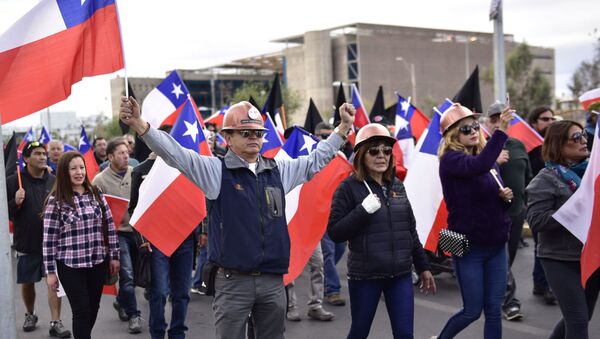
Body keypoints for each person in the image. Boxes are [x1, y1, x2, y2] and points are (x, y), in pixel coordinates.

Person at [119, 97, 355, 339]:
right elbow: (175, 154)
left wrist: (343, 128)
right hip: (233, 285)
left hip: (273, 282)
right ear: (228, 138)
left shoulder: (279, 171)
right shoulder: (215, 171)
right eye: (245, 132)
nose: (254, 137)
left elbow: (316, 160)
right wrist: (139, 123)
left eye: (258, 133)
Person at [327, 123, 435, 339]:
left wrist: (423, 266)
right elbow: (335, 232)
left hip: (401, 275)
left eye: (386, 150)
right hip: (366, 276)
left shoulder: (397, 185)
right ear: (361, 155)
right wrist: (362, 211)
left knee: (405, 335)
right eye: (374, 150)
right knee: (359, 332)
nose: (381, 155)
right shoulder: (348, 188)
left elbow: (410, 230)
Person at [434, 103, 513, 339]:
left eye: (475, 126)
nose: (473, 131)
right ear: (452, 136)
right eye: (466, 128)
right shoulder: (450, 160)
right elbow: (478, 167)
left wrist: (505, 199)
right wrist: (502, 130)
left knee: (494, 310)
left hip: (497, 244)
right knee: (471, 311)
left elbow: (494, 200)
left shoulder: (483, 159)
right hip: (468, 247)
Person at [526, 120, 599, 339]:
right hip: (559, 259)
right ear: (559, 144)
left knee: (580, 317)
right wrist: (574, 209)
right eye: (576, 137)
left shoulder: (591, 173)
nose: (584, 140)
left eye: (584, 135)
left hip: (589, 257)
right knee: (577, 321)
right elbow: (536, 221)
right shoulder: (545, 179)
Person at [42, 151, 120, 339]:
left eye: (82, 167)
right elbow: (48, 239)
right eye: (73, 168)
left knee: (93, 308)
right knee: (82, 310)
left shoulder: (96, 193)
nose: (79, 172)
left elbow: (109, 225)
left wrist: (115, 256)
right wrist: (50, 273)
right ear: (64, 172)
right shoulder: (56, 201)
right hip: (70, 264)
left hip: (97, 261)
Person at [6, 141, 71, 338]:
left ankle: (56, 322)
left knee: (53, 283)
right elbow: (4, 213)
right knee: (27, 282)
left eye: (44, 153)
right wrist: (14, 203)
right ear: (26, 159)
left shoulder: (55, 180)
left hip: (52, 244)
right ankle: (30, 313)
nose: (43, 157)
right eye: (37, 154)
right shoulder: (13, 181)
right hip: (26, 242)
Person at [485, 102, 532, 321]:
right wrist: (494, 161)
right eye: (492, 119)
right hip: (494, 214)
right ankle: (510, 303)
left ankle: (496, 292)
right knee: (502, 261)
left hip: (517, 211)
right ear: (486, 122)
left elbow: (528, 178)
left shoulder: (518, 146)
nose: (496, 124)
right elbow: (476, 179)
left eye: (500, 119)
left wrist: (526, 205)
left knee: (507, 260)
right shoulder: (482, 148)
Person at [92, 138, 142, 334]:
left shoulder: (136, 172)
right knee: (127, 275)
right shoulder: (100, 180)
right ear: (110, 157)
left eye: (127, 152)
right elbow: (96, 213)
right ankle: (134, 315)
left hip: (138, 231)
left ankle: (122, 300)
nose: (126, 155)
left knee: (138, 276)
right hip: (118, 234)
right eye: (121, 153)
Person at [314, 122, 348, 307]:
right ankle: (332, 290)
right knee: (328, 253)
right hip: (319, 215)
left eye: (330, 135)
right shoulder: (313, 157)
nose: (326, 138)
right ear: (316, 135)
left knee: (339, 249)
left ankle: (325, 275)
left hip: (337, 213)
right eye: (323, 135)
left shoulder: (340, 157)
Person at [526, 106, 557, 305]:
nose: (550, 122)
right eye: (545, 119)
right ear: (534, 123)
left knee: (546, 244)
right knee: (542, 245)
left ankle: (541, 284)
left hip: (555, 200)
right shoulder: (529, 147)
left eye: (552, 118)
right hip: (537, 203)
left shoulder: (554, 144)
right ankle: (543, 285)